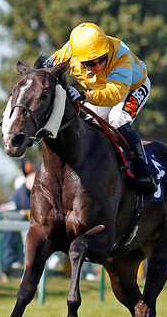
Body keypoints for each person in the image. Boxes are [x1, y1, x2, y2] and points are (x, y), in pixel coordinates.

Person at [45, 22, 156, 193]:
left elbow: (116, 94)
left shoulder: (121, 56)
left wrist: (86, 95)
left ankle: (143, 168)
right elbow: (45, 69)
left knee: (118, 120)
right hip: (101, 91)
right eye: (90, 63)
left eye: (101, 59)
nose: (97, 67)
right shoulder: (69, 52)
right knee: (82, 120)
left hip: (131, 88)